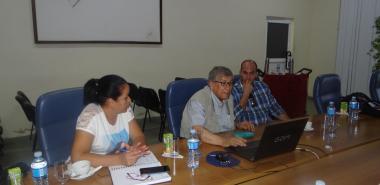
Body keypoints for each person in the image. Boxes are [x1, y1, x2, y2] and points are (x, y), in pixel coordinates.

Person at [71, 74, 149, 167]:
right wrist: (119, 159)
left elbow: (138, 136)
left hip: (117, 166)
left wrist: (137, 149)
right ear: (110, 101)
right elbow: (77, 157)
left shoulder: (125, 110)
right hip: (93, 169)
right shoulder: (89, 117)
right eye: (125, 97)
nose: (129, 100)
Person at [180, 66, 254, 147]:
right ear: (211, 84)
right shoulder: (199, 100)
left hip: (221, 141)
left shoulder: (228, 98)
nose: (228, 88)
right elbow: (198, 130)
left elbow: (221, 122)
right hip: (196, 146)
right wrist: (225, 142)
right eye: (223, 83)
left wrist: (238, 124)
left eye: (230, 83)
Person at [232, 59, 289, 125]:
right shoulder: (233, 91)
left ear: (256, 74)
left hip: (265, 128)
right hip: (247, 131)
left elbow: (277, 110)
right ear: (240, 73)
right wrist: (246, 94)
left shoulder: (263, 87)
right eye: (245, 73)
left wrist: (292, 124)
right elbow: (236, 118)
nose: (248, 77)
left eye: (252, 73)